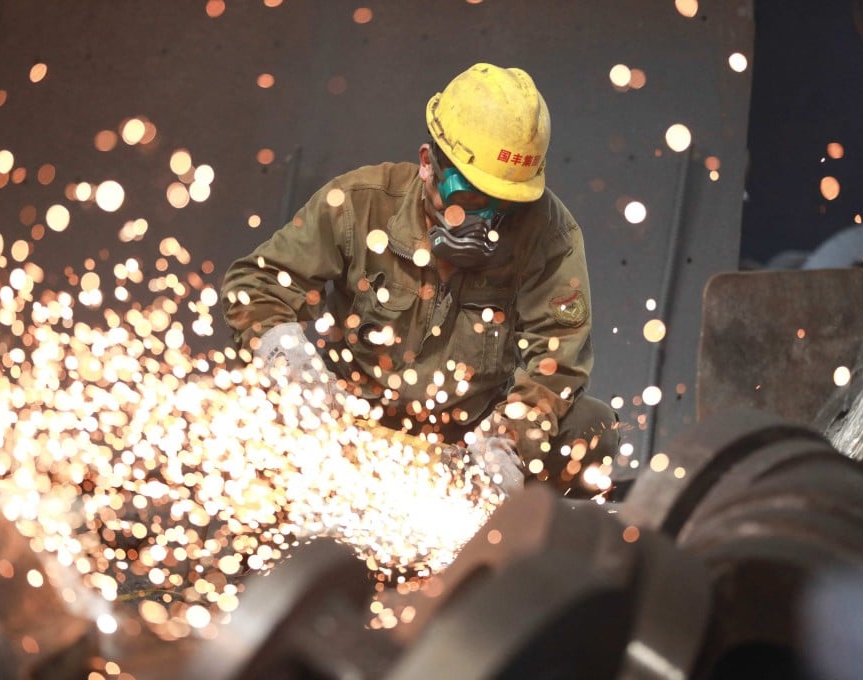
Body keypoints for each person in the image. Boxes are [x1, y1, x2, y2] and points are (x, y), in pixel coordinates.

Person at [222, 63, 624, 498]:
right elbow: (256, 284)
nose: (483, 219)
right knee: (249, 403)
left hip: (465, 448)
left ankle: (515, 541)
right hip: (346, 429)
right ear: (429, 163)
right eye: (469, 196)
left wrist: (506, 443)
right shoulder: (360, 203)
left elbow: (556, 363)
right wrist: (293, 368)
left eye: (504, 204)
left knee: (591, 429)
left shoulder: (548, 235)